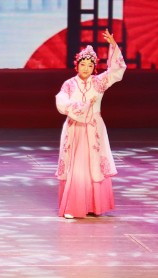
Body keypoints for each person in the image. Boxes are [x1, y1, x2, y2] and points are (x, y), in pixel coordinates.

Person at [54, 29, 126, 218]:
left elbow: (117, 72)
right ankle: (73, 206)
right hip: (75, 128)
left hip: (94, 128)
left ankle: (93, 205)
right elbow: (61, 102)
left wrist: (113, 46)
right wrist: (83, 106)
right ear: (76, 65)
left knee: (94, 164)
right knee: (76, 166)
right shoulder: (69, 84)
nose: (85, 68)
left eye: (90, 65)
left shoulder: (98, 82)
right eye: (82, 64)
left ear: (94, 66)